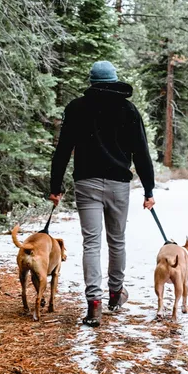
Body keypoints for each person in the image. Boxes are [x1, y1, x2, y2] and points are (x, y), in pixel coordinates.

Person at [49, 61, 155, 327]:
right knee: (117, 241)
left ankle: (94, 304)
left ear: (92, 81)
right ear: (115, 80)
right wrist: (148, 189)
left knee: (91, 243)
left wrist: (55, 186)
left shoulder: (76, 108)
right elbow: (141, 152)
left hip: (87, 183)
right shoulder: (128, 109)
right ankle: (116, 293)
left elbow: (63, 149)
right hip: (119, 185)